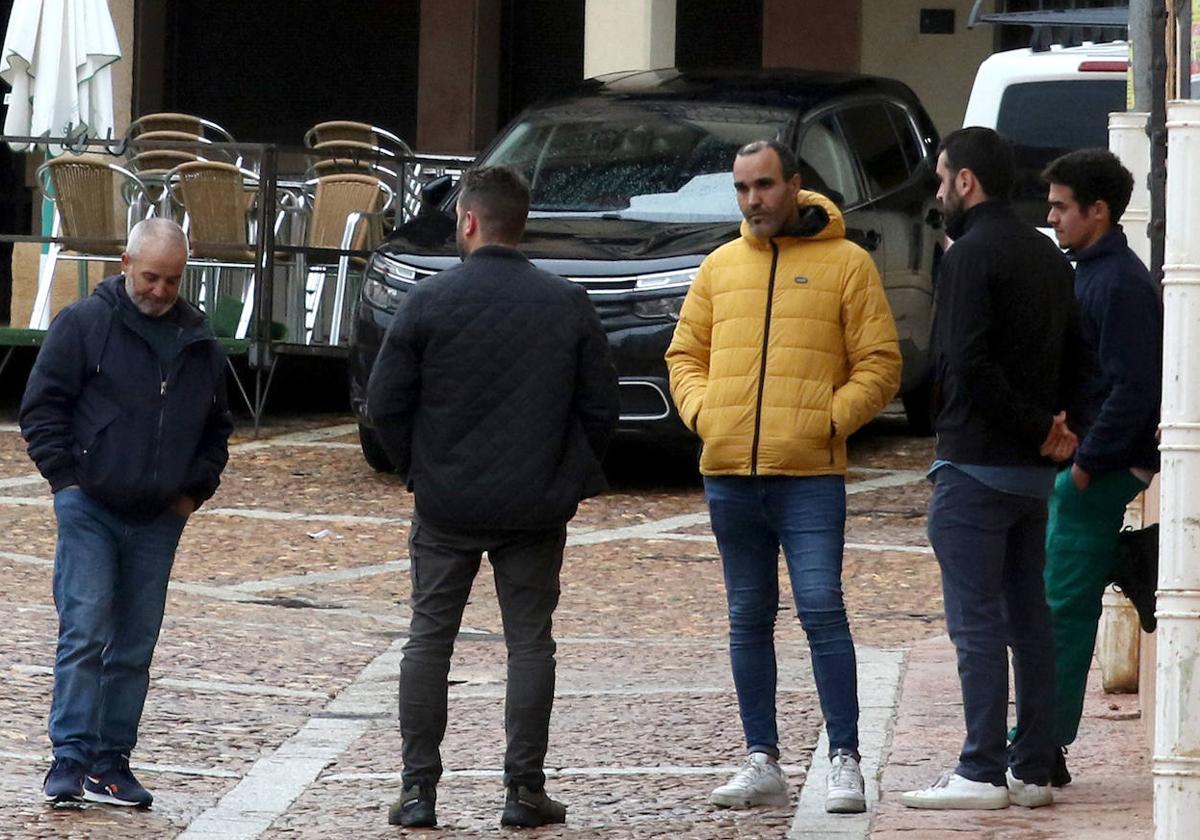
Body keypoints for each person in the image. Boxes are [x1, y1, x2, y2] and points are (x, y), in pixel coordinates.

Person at [367, 165, 619, 829]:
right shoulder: (567, 303)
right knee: (531, 644)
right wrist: (567, 476)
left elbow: (385, 403)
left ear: (469, 221)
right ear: (520, 223)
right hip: (535, 503)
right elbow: (600, 409)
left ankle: (419, 791)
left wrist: (418, 469)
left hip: (447, 502)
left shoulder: (428, 301)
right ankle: (523, 791)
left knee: (429, 640)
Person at [666, 139, 901, 814]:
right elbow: (684, 354)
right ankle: (760, 758)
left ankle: (845, 759)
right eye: (742, 189)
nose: (753, 200)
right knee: (747, 617)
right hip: (730, 472)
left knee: (822, 608)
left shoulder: (847, 265)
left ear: (794, 184)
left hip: (809, 476)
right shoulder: (719, 267)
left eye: (764, 185)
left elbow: (881, 364)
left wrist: (827, 420)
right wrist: (708, 414)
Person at [901, 127, 1088, 811]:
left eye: (943, 177)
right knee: (1029, 619)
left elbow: (965, 366)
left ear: (966, 181)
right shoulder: (1045, 256)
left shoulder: (968, 256)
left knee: (976, 624)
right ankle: (1033, 769)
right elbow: (1076, 354)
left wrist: (1042, 426)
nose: (939, 190)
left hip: (978, 464)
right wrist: (1059, 428)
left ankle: (980, 769)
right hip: (1032, 472)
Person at [20, 218, 233, 808]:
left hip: (159, 515)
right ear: (125, 264)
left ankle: (111, 762)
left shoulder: (198, 340)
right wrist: (65, 480)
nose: (160, 290)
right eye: (150, 277)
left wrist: (193, 492)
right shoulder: (85, 324)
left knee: (134, 645)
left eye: (171, 280)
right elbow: (43, 407)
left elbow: (218, 428)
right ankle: (70, 757)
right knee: (85, 630)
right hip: (89, 504)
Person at [1037, 148, 1162, 786]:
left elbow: (1133, 389)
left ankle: (1042, 747)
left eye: (1061, 206)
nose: (1052, 216)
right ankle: (1134, 565)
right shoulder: (1093, 271)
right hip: (1093, 466)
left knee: (1061, 607)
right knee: (1060, 597)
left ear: (1098, 210)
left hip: (1098, 471)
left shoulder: (1117, 283)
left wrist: (1085, 466)